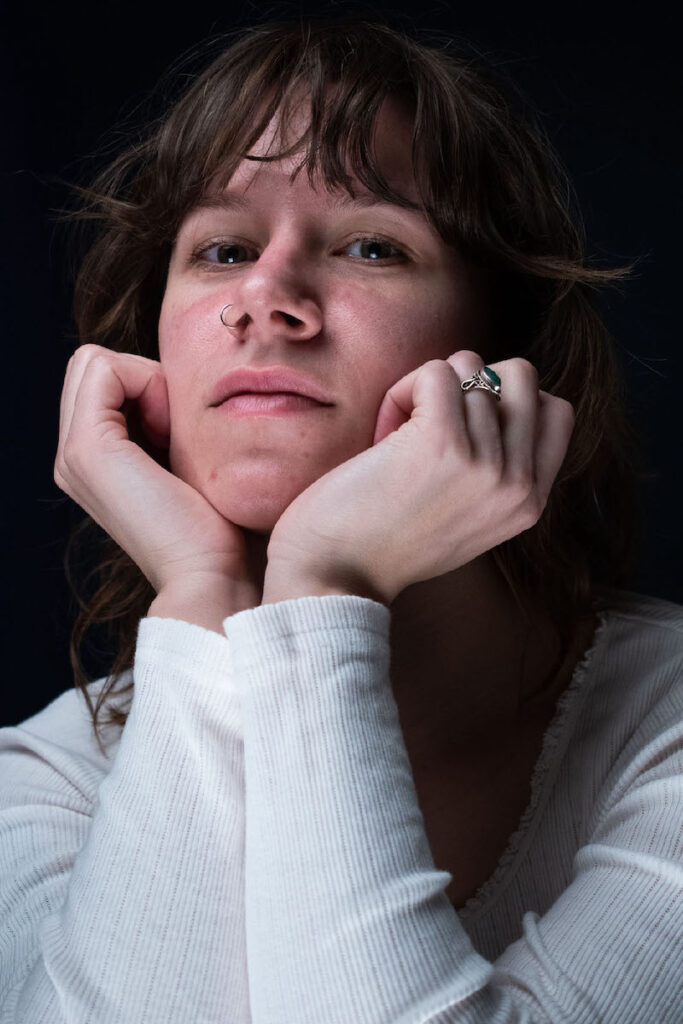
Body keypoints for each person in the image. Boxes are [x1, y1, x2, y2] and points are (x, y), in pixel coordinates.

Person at [1, 17, 681, 1024]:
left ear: (502, 356)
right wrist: (202, 587)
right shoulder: (50, 778)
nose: (265, 298)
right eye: (222, 248)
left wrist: (324, 587)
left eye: (371, 245)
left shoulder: (662, 732)